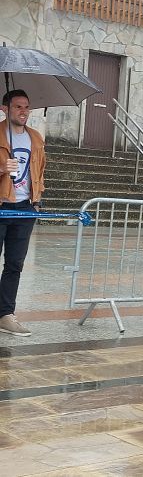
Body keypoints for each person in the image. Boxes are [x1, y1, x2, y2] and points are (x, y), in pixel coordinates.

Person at [0, 90, 45, 337]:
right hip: (1, 205)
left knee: (15, 264)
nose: (24, 111)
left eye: (26, 107)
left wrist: (36, 202)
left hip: (24, 208)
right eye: (17, 106)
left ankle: (5, 314)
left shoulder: (36, 139)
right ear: (5, 108)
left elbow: (39, 173)